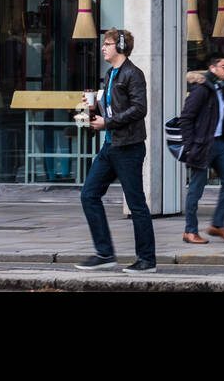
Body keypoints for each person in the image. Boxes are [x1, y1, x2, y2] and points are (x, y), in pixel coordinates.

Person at [76, 28, 156, 274]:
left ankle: (147, 260)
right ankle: (104, 253)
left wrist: (107, 123)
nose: (103, 48)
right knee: (89, 195)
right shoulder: (110, 74)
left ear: (120, 47)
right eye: (104, 44)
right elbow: (111, 107)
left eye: (108, 44)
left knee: (136, 204)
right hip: (110, 146)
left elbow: (139, 109)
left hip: (129, 147)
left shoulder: (133, 74)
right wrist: (90, 110)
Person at [179, 53, 224, 244]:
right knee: (196, 189)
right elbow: (186, 118)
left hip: (220, 143)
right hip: (202, 144)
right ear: (212, 68)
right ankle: (190, 231)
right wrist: (190, 146)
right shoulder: (202, 90)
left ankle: (217, 224)